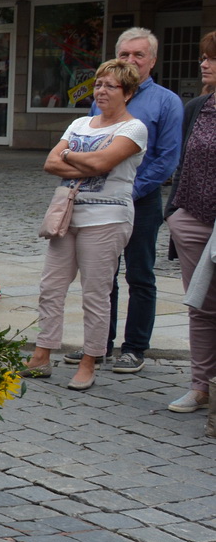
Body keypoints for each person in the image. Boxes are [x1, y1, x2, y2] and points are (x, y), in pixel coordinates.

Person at [23, 59, 147, 389]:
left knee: (95, 293)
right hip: (67, 217)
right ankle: (42, 353)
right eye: (98, 85)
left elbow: (104, 162)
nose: (101, 91)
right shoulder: (80, 123)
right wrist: (87, 164)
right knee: (50, 288)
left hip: (107, 219)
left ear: (129, 93)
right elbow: (51, 162)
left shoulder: (133, 128)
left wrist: (73, 158)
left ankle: (91, 360)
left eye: (110, 86)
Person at [97, 27, 181, 373]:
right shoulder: (105, 93)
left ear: (152, 60)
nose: (131, 61)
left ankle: (134, 347)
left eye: (139, 55)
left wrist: (131, 190)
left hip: (141, 200)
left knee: (140, 274)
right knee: (102, 274)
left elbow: (167, 158)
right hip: (103, 199)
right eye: (126, 54)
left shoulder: (166, 101)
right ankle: (99, 343)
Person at [165, 32, 216, 413]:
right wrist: (175, 214)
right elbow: (183, 163)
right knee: (200, 307)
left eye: (212, 59)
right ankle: (200, 387)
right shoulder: (198, 107)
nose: (204, 64)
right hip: (193, 219)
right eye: (202, 57)